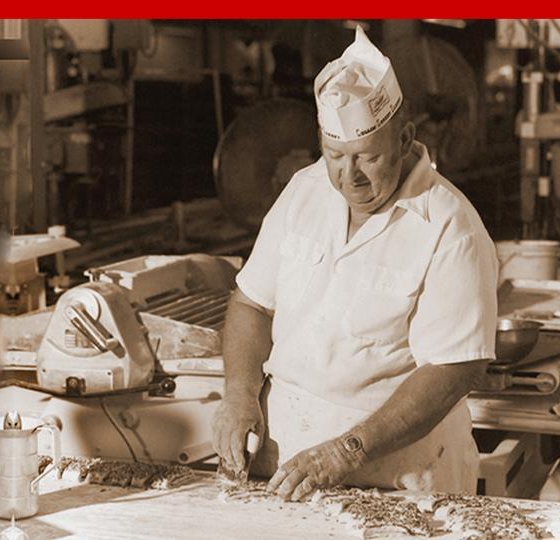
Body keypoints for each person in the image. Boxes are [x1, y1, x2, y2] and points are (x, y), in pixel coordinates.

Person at [212, 26, 498, 502]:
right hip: (283, 466)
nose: (350, 177)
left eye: (368, 157)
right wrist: (240, 394)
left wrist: (347, 452)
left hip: (396, 478)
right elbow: (251, 305)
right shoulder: (303, 191)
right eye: (335, 156)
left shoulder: (451, 227)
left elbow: (453, 369)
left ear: (406, 139)